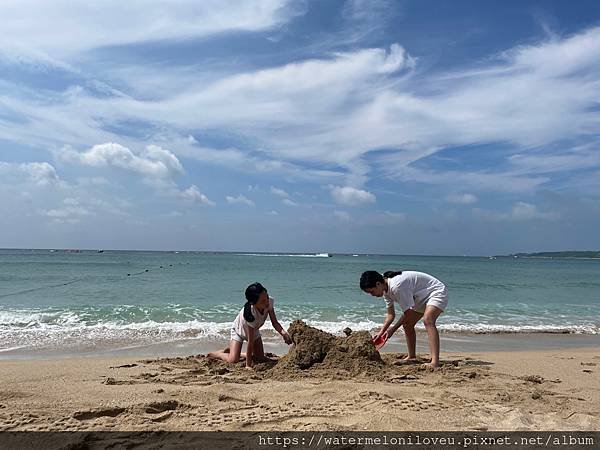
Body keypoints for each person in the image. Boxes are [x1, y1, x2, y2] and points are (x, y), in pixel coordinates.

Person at [359, 270, 448, 368]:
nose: (372, 295)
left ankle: (435, 362)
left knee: (428, 320)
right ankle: (412, 356)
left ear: (378, 283)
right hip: (419, 297)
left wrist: (392, 330)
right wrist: (381, 332)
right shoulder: (385, 290)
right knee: (407, 325)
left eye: (372, 291)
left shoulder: (397, 286)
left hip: (435, 291)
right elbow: (390, 315)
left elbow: (408, 314)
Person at [208, 282, 292, 368]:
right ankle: (219, 354)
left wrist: (283, 333)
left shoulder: (269, 302)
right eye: (262, 301)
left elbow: (274, 322)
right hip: (238, 331)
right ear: (253, 303)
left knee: (259, 357)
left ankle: (237, 352)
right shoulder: (251, 314)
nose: (266, 301)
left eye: (267, 297)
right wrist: (248, 365)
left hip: (254, 330)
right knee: (233, 360)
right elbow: (250, 342)